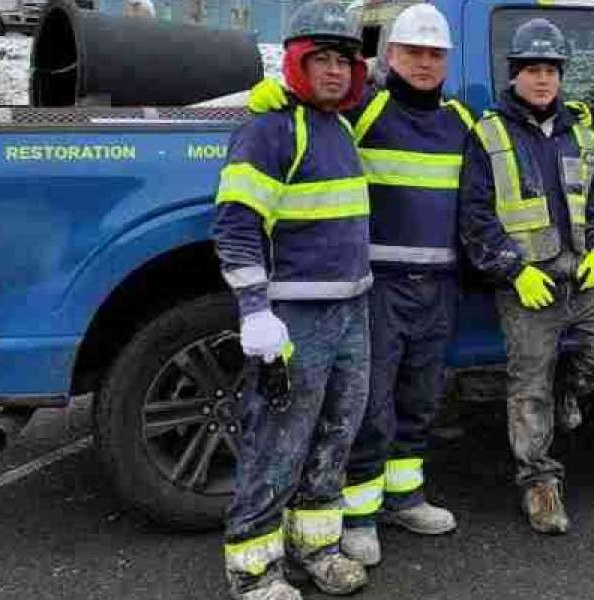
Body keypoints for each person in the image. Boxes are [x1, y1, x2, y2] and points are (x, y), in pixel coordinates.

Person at [247, 2, 474, 567]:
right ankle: (360, 514)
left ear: (447, 61)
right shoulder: (364, 112)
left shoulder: (461, 123)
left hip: (438, 287)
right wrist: (276, 99)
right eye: (413, 52)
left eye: (434, 55)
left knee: (420, 400)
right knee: (369, 407)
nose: (424, 64)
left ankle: (405, 498)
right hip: (376, 287)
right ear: (389, 56)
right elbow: (314, 115)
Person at [212, 2, 371, 598]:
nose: (334, 72)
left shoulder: (339, 125)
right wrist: (255, 309)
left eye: (343, 62)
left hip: (352, 310)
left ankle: (317, 546)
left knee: (336, 433)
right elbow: (235, 225)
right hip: (296, 317)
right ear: (296, 63)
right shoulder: (269, 128)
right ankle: (253, 569)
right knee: (278, 442)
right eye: (321, 60)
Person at [458, 17, 594, 535]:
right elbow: (475, 217)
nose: (541, 79)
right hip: (527, 285)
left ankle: (569, 389)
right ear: (514, 74)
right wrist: (513, 271)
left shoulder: (579, 135)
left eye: (550, 70)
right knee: (527, 386)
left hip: (583, 277)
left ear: (562, 76)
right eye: (531, 69)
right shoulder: (488, 135)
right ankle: (538, 481)